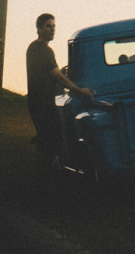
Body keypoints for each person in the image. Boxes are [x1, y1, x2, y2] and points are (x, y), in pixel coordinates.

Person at [25, 12, 93, 170]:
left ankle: (44, 174)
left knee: (46, 140)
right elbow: (59, 77)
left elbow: (51, 74)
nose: (52, 30)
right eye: (48, 26)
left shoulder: (34, 48)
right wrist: (80, 91)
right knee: (53, 140)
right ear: (39, 29)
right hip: (42, 104)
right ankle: (46, 176)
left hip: (37, 103)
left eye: (54, 26)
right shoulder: (43, 50)